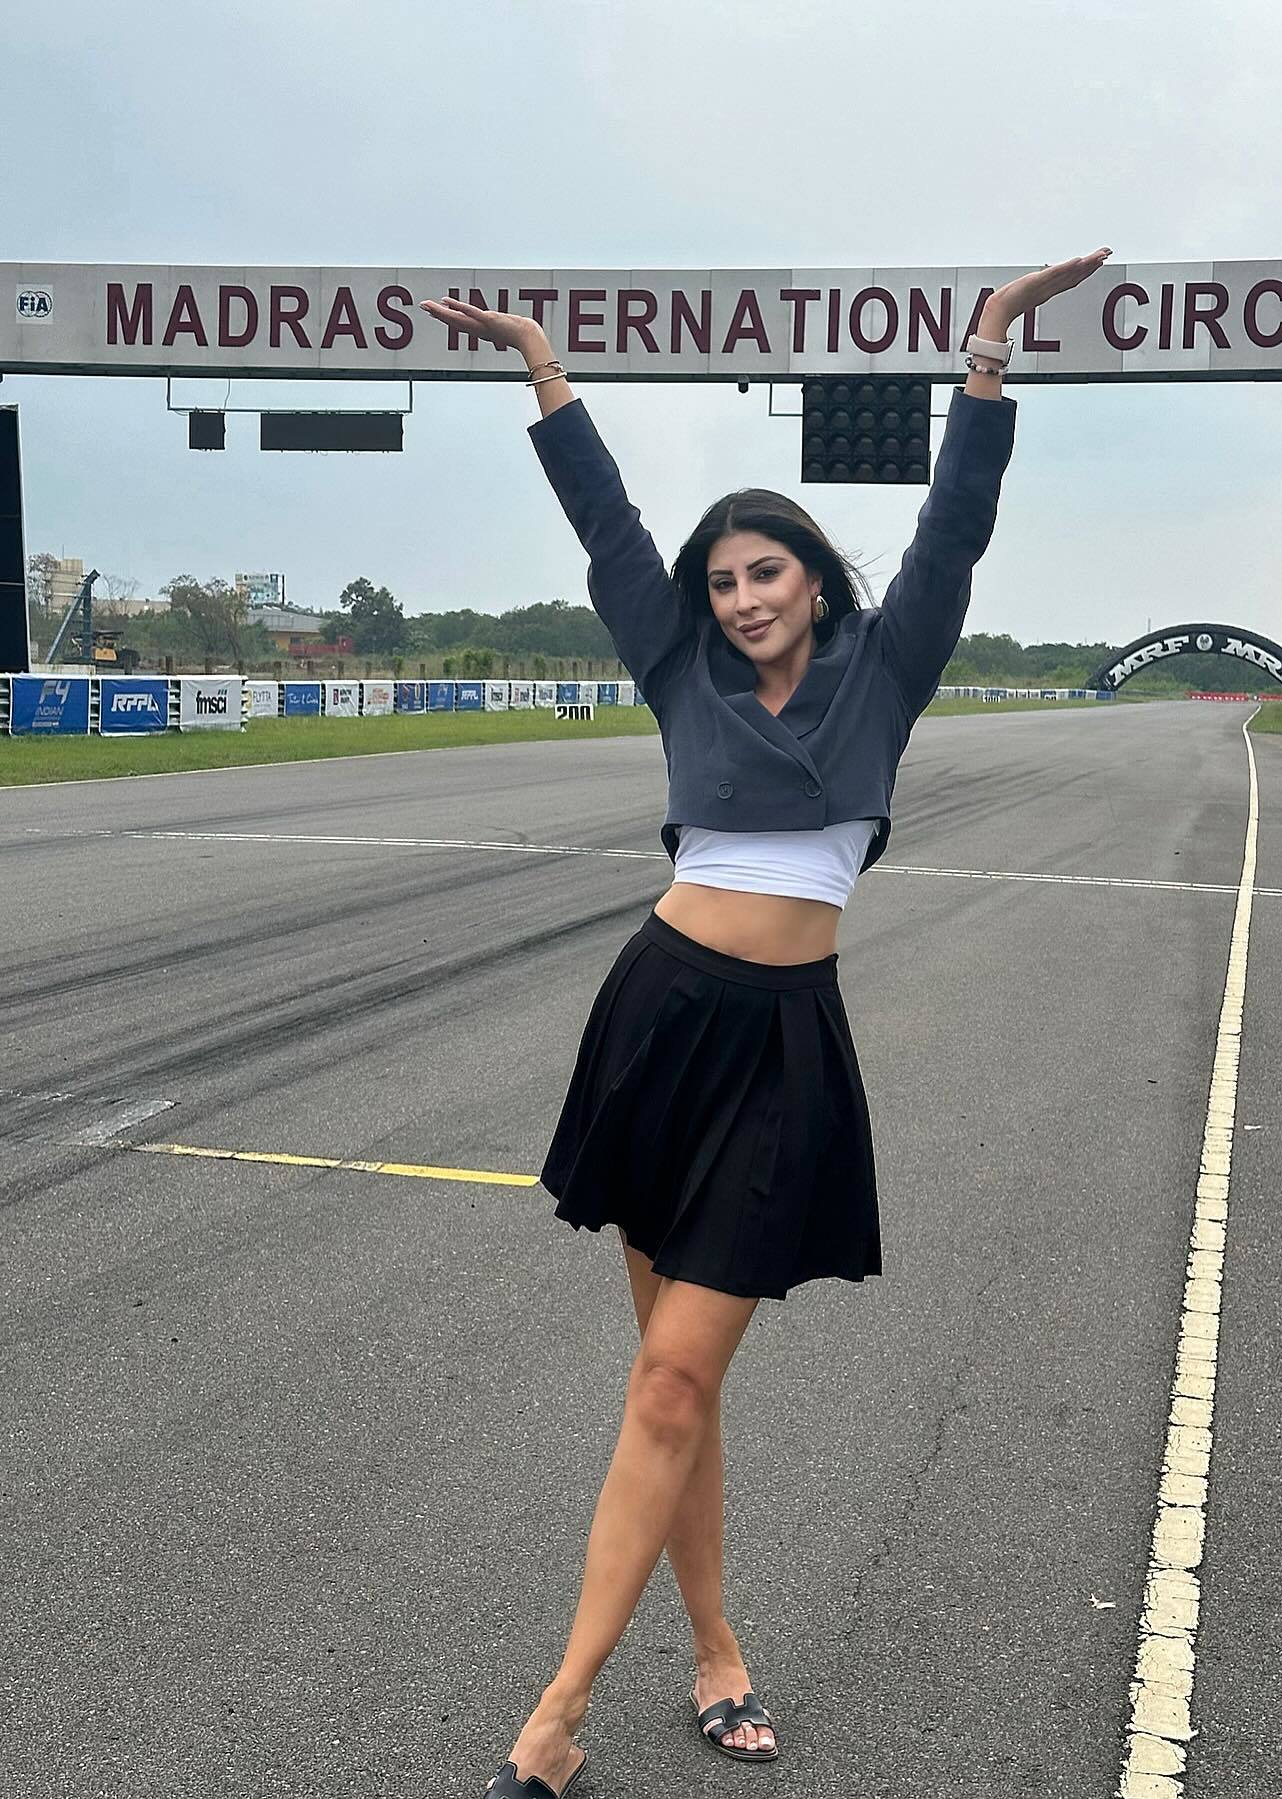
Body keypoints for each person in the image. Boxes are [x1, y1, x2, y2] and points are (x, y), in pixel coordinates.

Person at [420, 246, 1111, 1799]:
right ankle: (715, 1648)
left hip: (784, 1047)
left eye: (766, 575)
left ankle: (557, 1716)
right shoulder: (678, 668)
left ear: (814, 578)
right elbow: (606, 528)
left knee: (675, 1377)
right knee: (675, 1380)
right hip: (658, 1022)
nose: (742, 601)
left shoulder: (890, 667)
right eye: (724, 581)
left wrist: (989, 353)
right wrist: (543, 366)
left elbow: (956, 523)